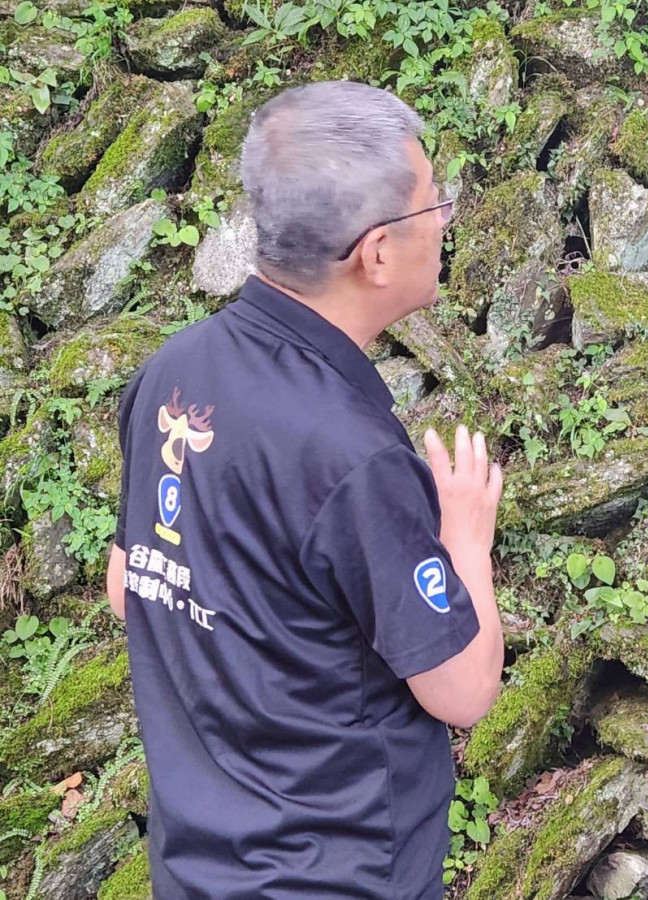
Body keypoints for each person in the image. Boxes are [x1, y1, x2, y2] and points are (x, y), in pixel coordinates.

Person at [105, 81, 505, 899]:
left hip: (196, 867)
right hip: (339, 874)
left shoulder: (172, 373)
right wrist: (466, 534)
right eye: (435, 205)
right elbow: (463, 691)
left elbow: (129, 585)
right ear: (378, 251)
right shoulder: (351, 455)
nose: (445, 223)